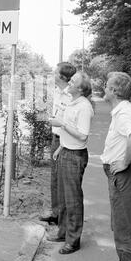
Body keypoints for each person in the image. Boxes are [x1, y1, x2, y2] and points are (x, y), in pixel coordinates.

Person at [100, 72, 131, 261]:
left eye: (107, 85)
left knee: (126, 230)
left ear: (115, 91)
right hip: (120, 177)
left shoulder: (124, 113)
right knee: (120, 225)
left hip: (123, 177)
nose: (104, 88)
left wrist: (125, 162)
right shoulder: (123, 111)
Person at [47, 71, 94, 254]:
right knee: (64, 198)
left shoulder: (84, 107)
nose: (69, 83)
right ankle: (63, 232)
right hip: (66, 151)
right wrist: (61, 147)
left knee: (73, 199)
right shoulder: (73, 102)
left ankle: (73, 241)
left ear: (80, 89)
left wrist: (62, 124)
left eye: (73, 81)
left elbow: (82, 135)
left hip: (75, 156)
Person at [39, 62, 76, 225]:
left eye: (55, 72)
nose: (52, 75)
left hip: (65, 142)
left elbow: (71, 123)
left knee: (63, 181)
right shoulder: (56, 92)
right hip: (55, 138)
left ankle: (63, 218)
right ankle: (56, 213)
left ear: (61, 77)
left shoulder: (71, 96)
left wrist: (62, 145)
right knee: (54, 179)